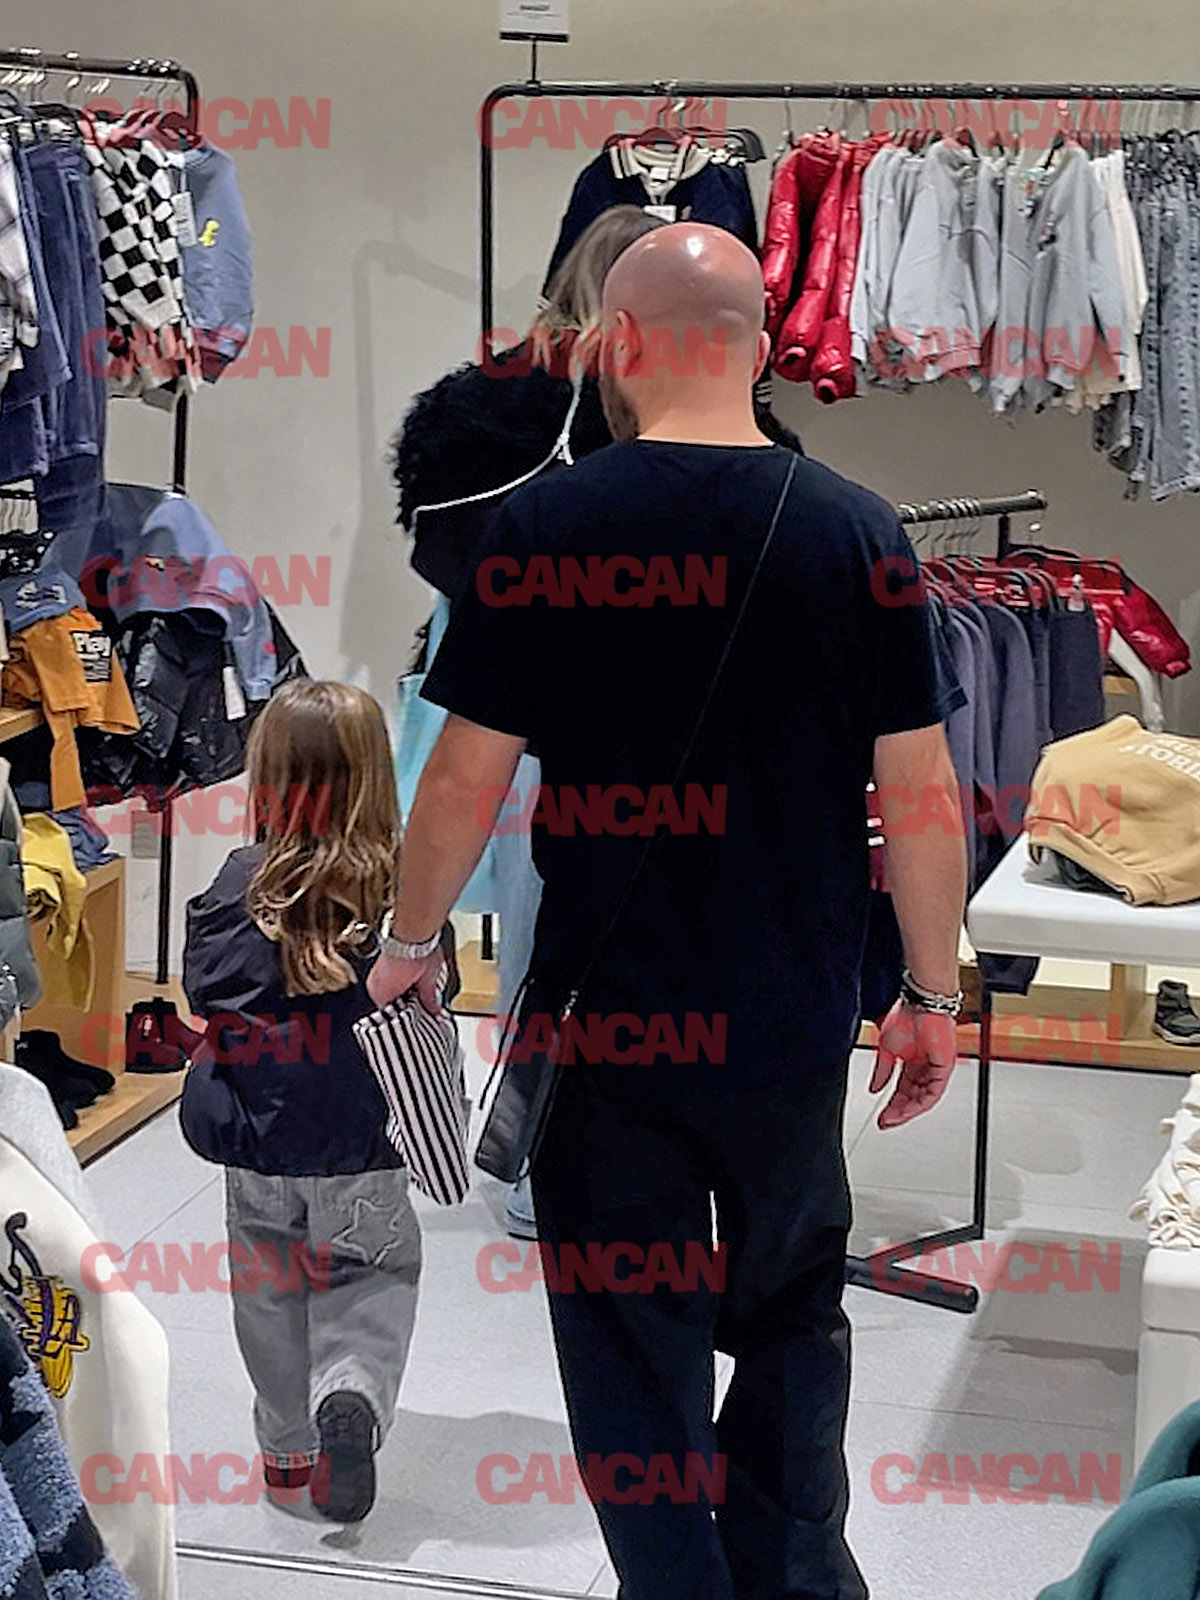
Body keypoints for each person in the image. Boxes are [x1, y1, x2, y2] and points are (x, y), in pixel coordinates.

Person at [369, 224, 967, 1598]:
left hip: (607, 1015)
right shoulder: (857, 530)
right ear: (759, 349)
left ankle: (672, 1580)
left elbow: (463, 776)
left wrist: (411, 943)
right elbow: (922, 790)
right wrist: (930, 995)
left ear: (619, 343)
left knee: (625, 1330)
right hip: (792, 1010)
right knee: (792, 1307)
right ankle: (797, 1575)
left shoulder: (547, 526)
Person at [392, 205, 807, 1241]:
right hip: (699, 718)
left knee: (548, 932)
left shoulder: (485, 410)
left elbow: (439, 555)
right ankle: (692, 1171)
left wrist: (409, 935)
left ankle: (541, 1155)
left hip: (525, 704)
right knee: (692, 927)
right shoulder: (730, 431)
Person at [180, 681, 450, 1525]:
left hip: (257, 1137)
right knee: (371, 1275)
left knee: (266, 1291)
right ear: (376, 775)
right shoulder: (400, 891)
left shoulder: (237, 882)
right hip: (364, 1140)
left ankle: (287, 1452)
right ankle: (352, 1398)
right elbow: (431, 993)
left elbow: (204, 991)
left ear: (267, 774)